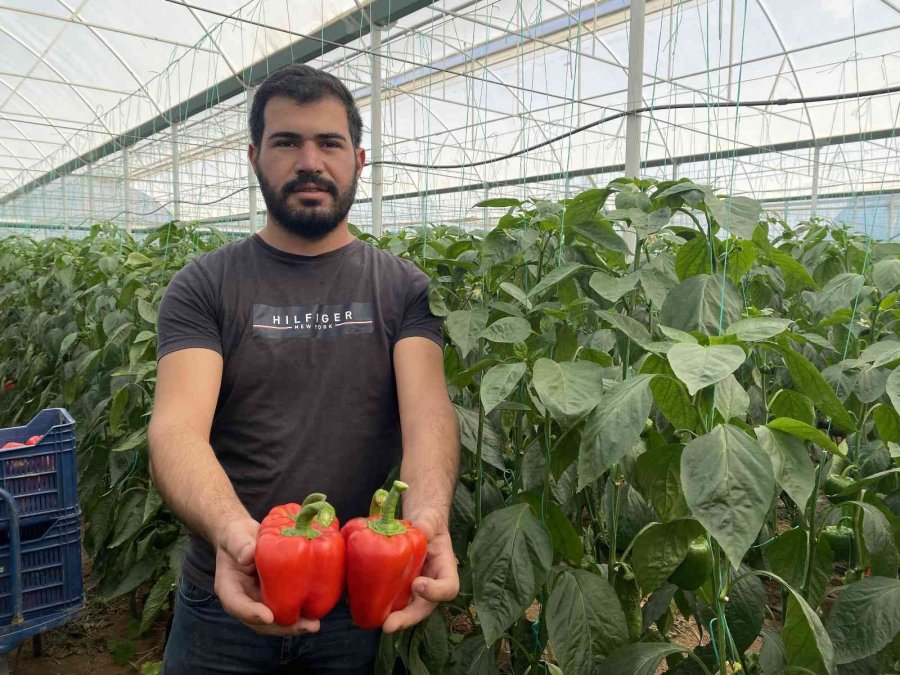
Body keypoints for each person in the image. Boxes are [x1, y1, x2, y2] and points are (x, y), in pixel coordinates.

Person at [148, 64, 461, 674]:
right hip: (228, 589)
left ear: (360, 160)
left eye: (329, 143)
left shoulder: (401, 290)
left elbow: (428, 413)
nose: (309, 161)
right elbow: (175, 429)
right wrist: (237, 535)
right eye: (286, 142)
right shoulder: (205, 286)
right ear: (254, 156)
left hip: (357, 591)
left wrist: (426, 521)